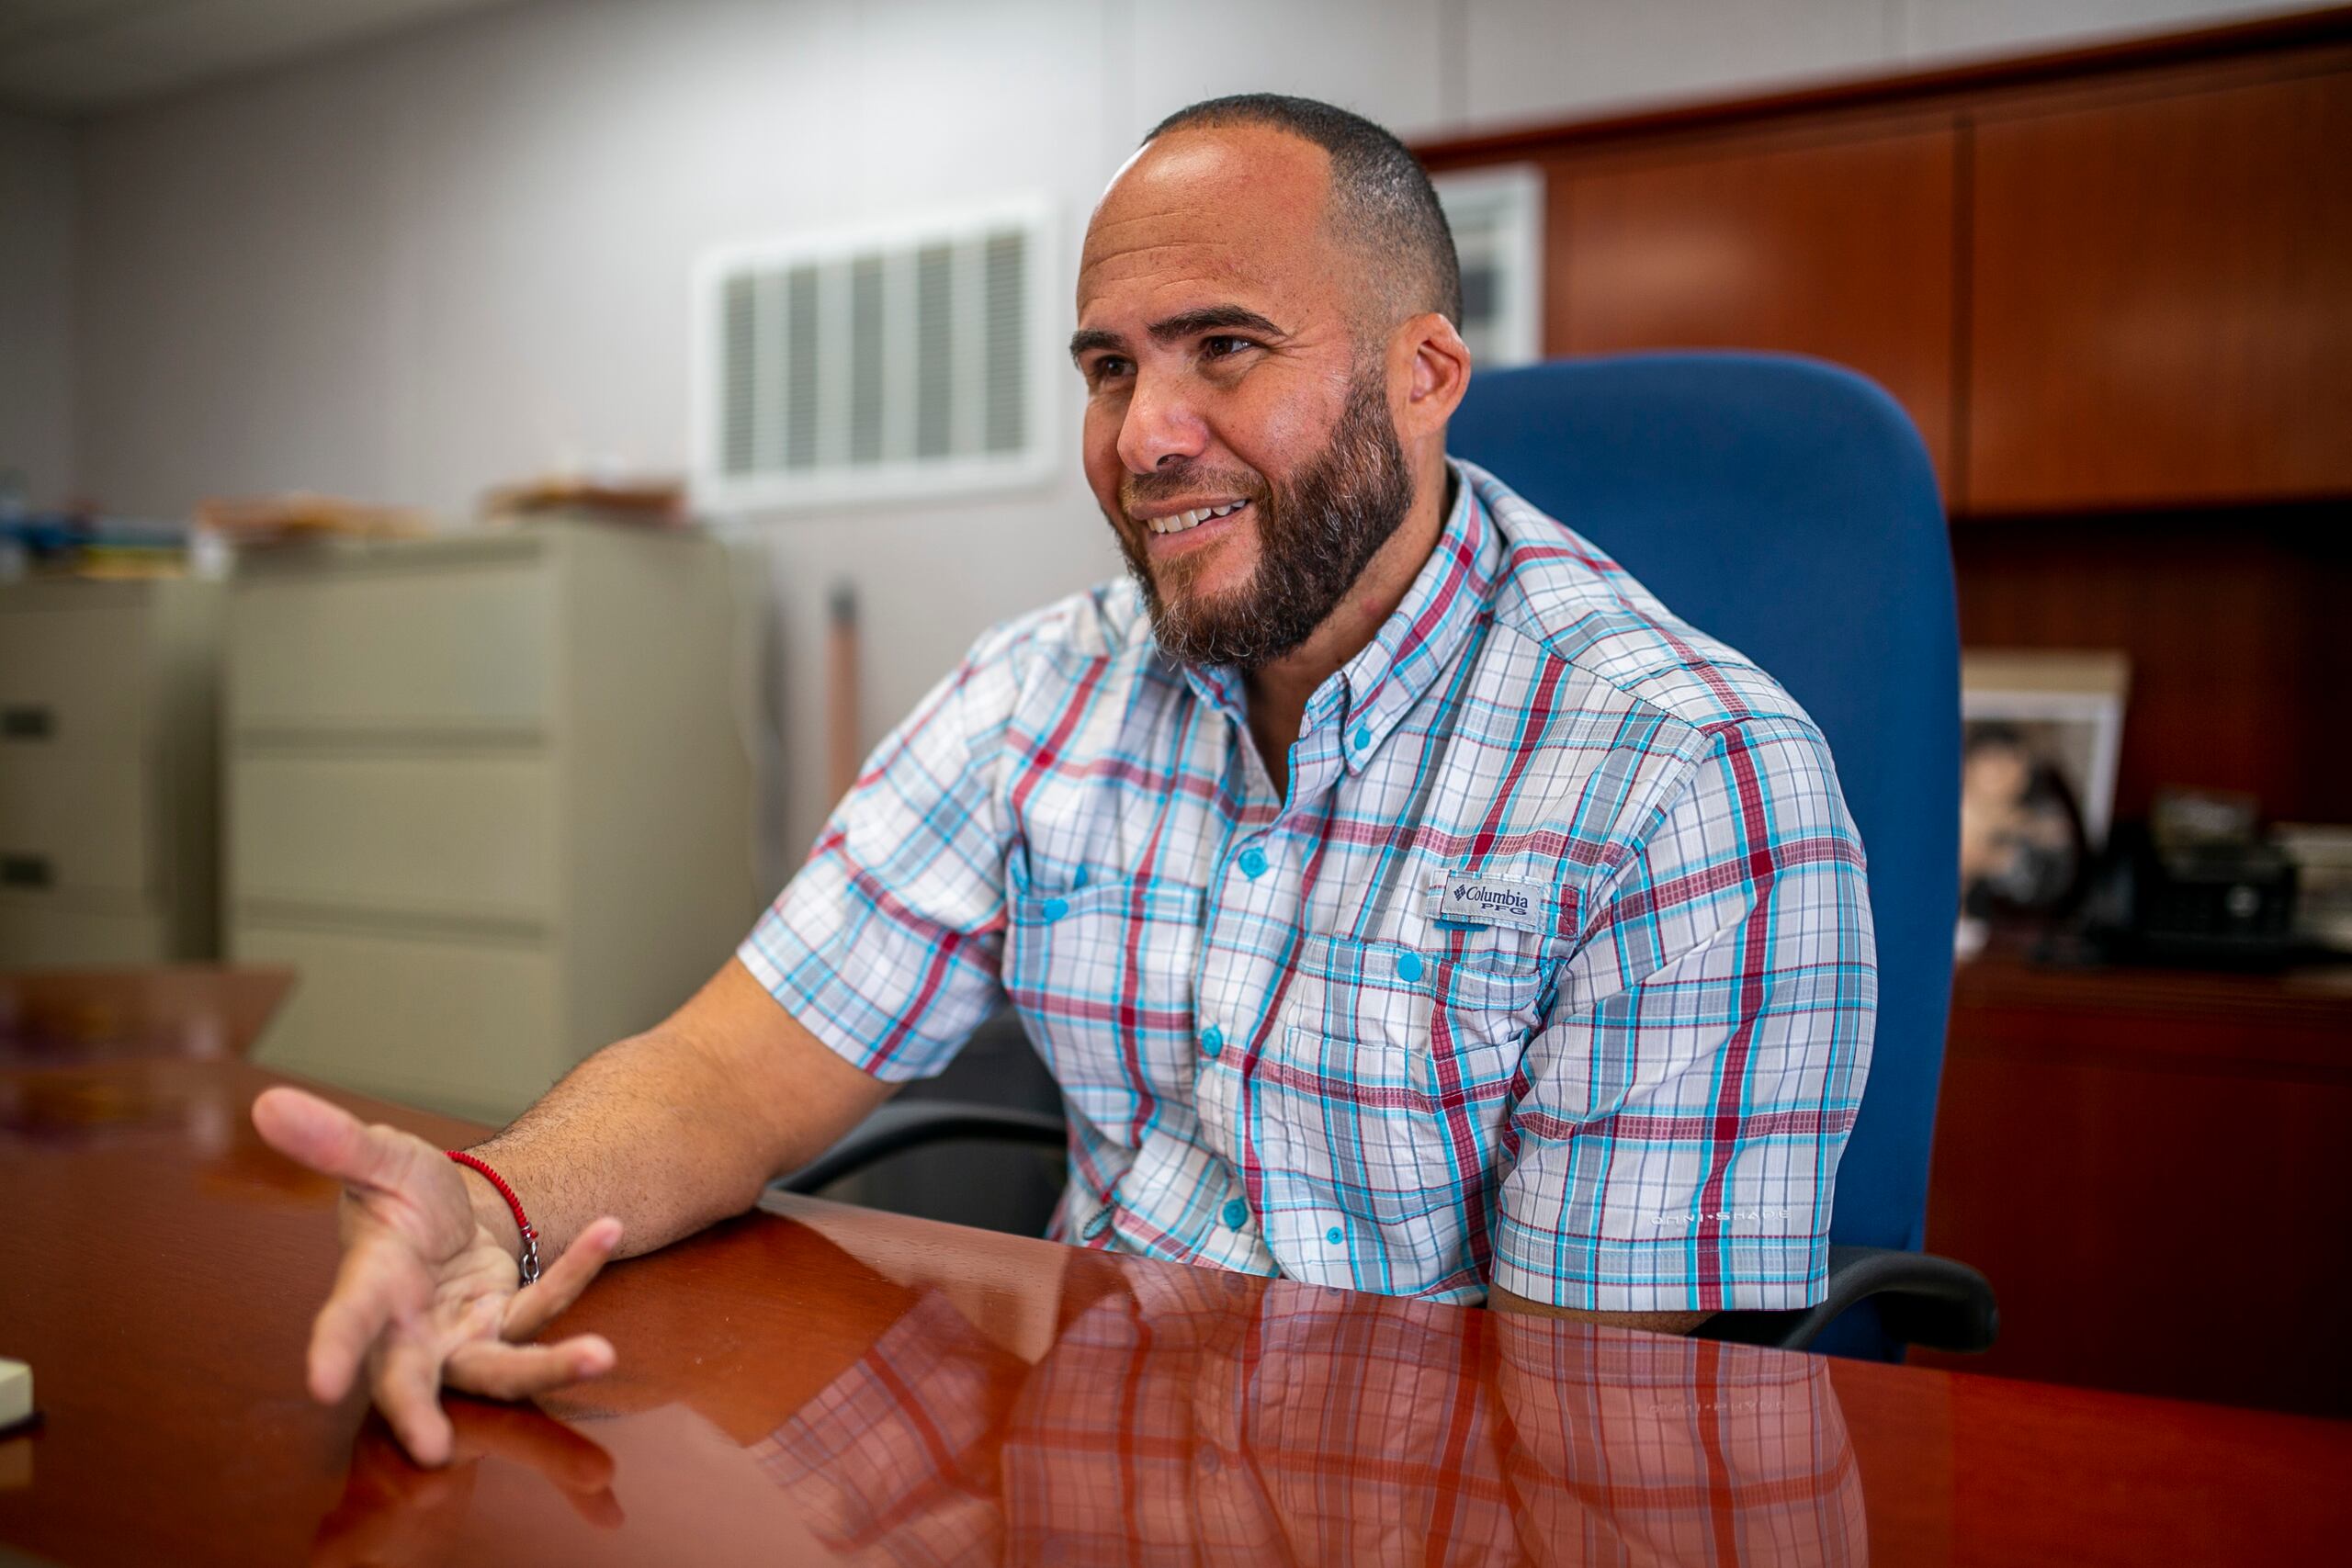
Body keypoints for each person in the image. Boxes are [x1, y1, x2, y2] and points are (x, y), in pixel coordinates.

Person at [254, 93, 1875, 1469]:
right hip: (1077, 1473)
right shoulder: (1043, 690)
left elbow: (1584, 1448)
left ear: (1426, 373)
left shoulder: (1682, 779)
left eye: (1222, 349)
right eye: (1108, 368)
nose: (1144, 435)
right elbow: (737, 1073)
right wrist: (491, 1210)